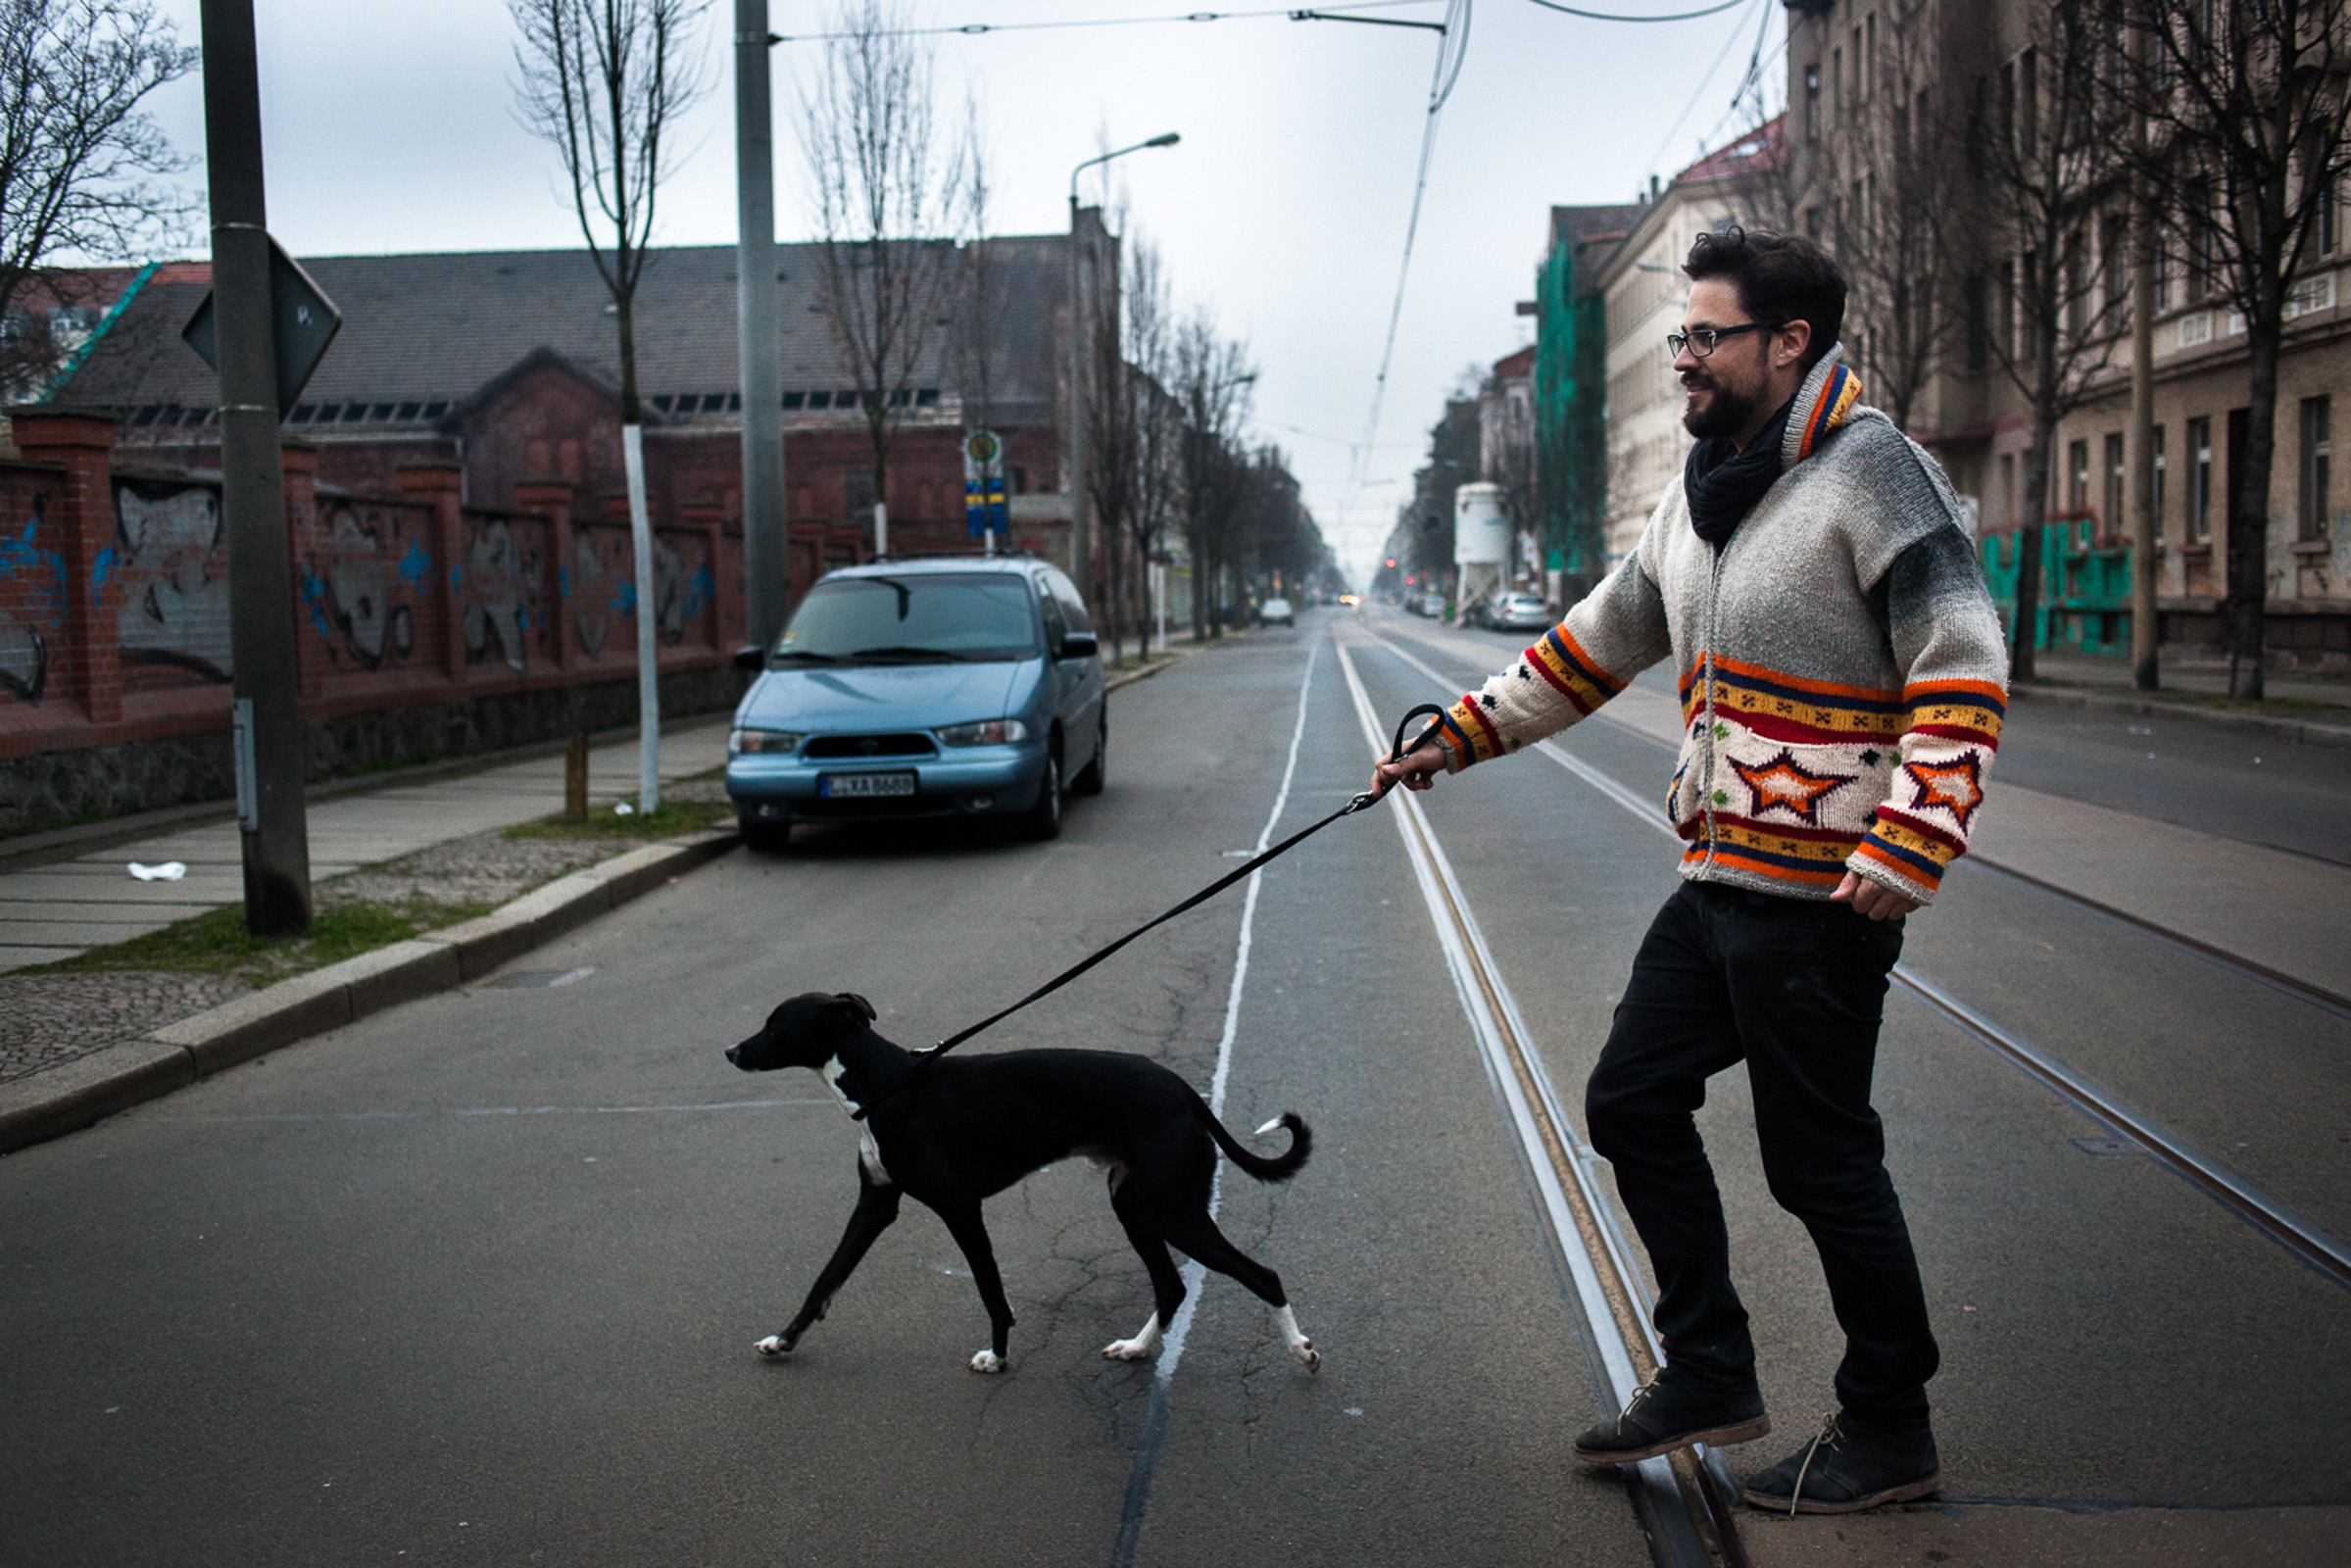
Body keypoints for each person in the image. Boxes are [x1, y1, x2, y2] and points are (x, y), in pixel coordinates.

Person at [1374, 229, 2006, 1515]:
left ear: (1789, 343)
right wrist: (1459, 736)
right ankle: (1709, 1367)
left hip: (1827, 902)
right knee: (1630, 1100)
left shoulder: (1878, 477)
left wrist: (1913, 838)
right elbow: (1593, 645)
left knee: (1820, 1163)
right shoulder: (1702, 489)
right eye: (1680, 337)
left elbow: (1963, 658)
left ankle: (1891, 1426)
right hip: (1718, 887)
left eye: (1706, 336)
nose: (1685, 360)